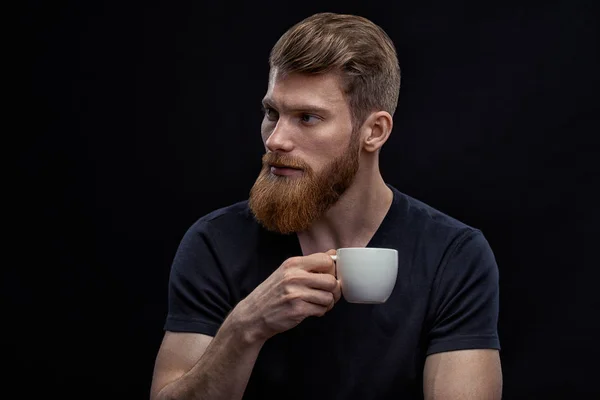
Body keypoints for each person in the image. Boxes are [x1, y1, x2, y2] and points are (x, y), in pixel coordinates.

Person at [149, 12, 502, 400]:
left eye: (308, 117)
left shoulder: (453, 255)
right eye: (272, 113)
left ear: (374, 131)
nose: (276, 140)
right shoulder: (215, 243)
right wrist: (245, 328)